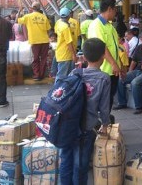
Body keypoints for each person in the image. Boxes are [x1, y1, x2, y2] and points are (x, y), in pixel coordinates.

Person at [59, 38, 110, 185]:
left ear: (84, 57)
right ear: (103, 57)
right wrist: (105, 125)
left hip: (68, 124)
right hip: (86, 127)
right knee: (80, 164)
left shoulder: (75, 72)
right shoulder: (104, 78)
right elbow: (104, 107)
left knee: (66, 158)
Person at [88, 0, 124, 111]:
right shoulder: (96, 25)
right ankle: (100, 124)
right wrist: (114, 64)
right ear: (109, 9)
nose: (115, 13)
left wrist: (120, 64)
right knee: (103, 100)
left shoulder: (110, 26)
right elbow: (101, 47)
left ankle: (105, 122)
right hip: (103, 70)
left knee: (109, 99)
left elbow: (115, 48)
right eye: (115, 10)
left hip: (112, 71)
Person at [114, 30, 142, 114]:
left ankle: (139, 106)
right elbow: (133, 61)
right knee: (121, 79)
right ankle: (122, 103)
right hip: (137, 71)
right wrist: (129, 73)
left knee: (135, 83)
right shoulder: (139, 47)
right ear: (141, 39)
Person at [18, 1, 51, 80]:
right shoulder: (44, 17)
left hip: (35, 41)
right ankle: (42, 75)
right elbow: (48, 30)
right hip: (45, 41)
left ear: (32, 7)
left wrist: (19, 11)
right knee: (43, 59)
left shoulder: (28, 16)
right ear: (39, 8)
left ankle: (37, 75)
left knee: (35, 59)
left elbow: (17, 21)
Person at [54, 7, 77, 80]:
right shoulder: (65, 27)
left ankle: (61, 90)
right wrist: (74, 55)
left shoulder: (58, 23)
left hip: (60, 52)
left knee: (63, 75)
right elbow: (69, 43)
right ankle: (56, 90)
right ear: (69, 16)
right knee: (62, 76)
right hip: (66, 54)